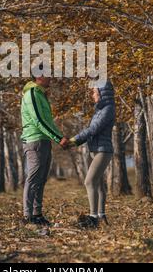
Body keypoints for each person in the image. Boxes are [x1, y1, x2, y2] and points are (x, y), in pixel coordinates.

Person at [62, 80, 116, 229]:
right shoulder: (100, 109)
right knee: (98, 184)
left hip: (103, 150)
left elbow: (93, 130)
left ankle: (93, 219)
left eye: (94, 92)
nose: (92, 95)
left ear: (101, 92)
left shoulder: (108, 109)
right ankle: (100, 215)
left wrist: (73, 141)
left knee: (89, 181)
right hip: (97, 149)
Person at [21, 75, 69, 226]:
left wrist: (60, 137)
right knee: (33, 178)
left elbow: (48, 121)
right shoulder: (32, 94)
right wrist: (57, 138)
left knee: (41, 180)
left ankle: (37, 214)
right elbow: (38, 121)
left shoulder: (40, 94)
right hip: (35, 141)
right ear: (39, 76)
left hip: (44, 140)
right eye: (48, 75)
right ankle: (27, 216)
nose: (51, 78)